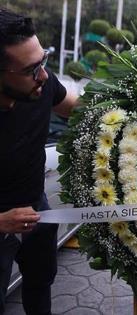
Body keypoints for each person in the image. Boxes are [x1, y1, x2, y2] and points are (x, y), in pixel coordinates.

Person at [0, 9, 77, 315]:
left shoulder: (42, 86)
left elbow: (77, 108)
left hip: (38, 210)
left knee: (40, 284)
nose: (43, 75)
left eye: (43, 60)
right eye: (32, 69)